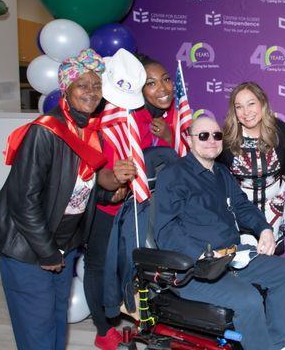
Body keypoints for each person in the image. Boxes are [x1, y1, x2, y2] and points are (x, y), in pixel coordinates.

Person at [0, 49, 136, 350]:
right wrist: (47, 253)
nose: (92, 92)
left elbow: (79, 187)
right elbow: (24, 200)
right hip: (30, 249)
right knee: (37, 331)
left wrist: (109, 193)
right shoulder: (45, 132)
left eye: (97, 85)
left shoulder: (88, 130)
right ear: (66, 89)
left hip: (64, 246)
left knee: (57, 324)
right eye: (82, 85)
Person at [153, 116, 285, 350]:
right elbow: (166, 230)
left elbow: (242, 206)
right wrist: (199, 255)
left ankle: (277, 343)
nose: (211, 140)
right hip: (195, 268)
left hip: (232, 256)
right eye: (203, 136)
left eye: (216, 135)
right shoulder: (174, 175)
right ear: (189, 140)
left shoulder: (221, 172)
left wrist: (264, 229)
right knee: (249, 299)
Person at [84, 53, 181, 350]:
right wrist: (115, 183)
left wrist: (169, 134)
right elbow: (101, 166)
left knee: (141, 268)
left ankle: (147, 319)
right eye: (151, 83)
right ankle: (103, 329)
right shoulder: (121, 115)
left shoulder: (170, 116)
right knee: (100, 267)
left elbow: (181, 162)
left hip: (148, 213)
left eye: (165, 79)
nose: (163, 87)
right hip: (111, 208)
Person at [219, 82, 285, 253]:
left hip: (274, 206)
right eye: (239, 107)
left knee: (272, 256)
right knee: (246, 258)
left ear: (262, 103)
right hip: (241, 210)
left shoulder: (280, 131)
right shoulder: (226, 139)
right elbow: (220, 176)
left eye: (251, 103)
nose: (246, 112)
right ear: (234, 112)